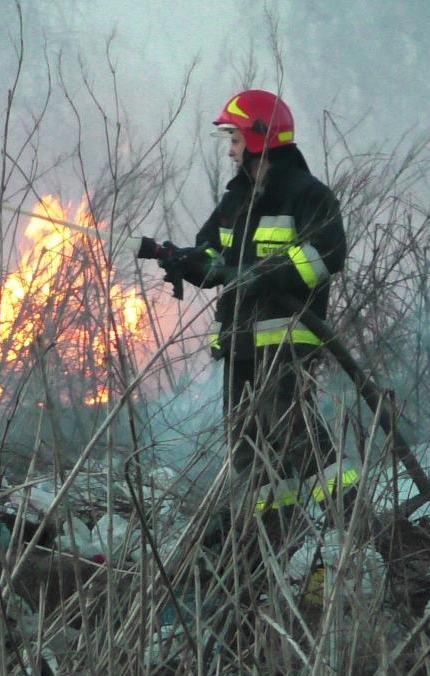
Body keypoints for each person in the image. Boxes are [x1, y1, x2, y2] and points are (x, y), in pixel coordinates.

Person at [159, 89, 350, 511]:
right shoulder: (237, 198)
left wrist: (265, 275)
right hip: (240, 338)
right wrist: (187, 261)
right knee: (247, 443)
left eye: (235, 139)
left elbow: (327, 255)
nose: (230, 152)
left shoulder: (305, 194)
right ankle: (274, 530)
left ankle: (350, 519)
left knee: (293, 429)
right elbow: (214, 254)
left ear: (260, 137)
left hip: (285, 338)